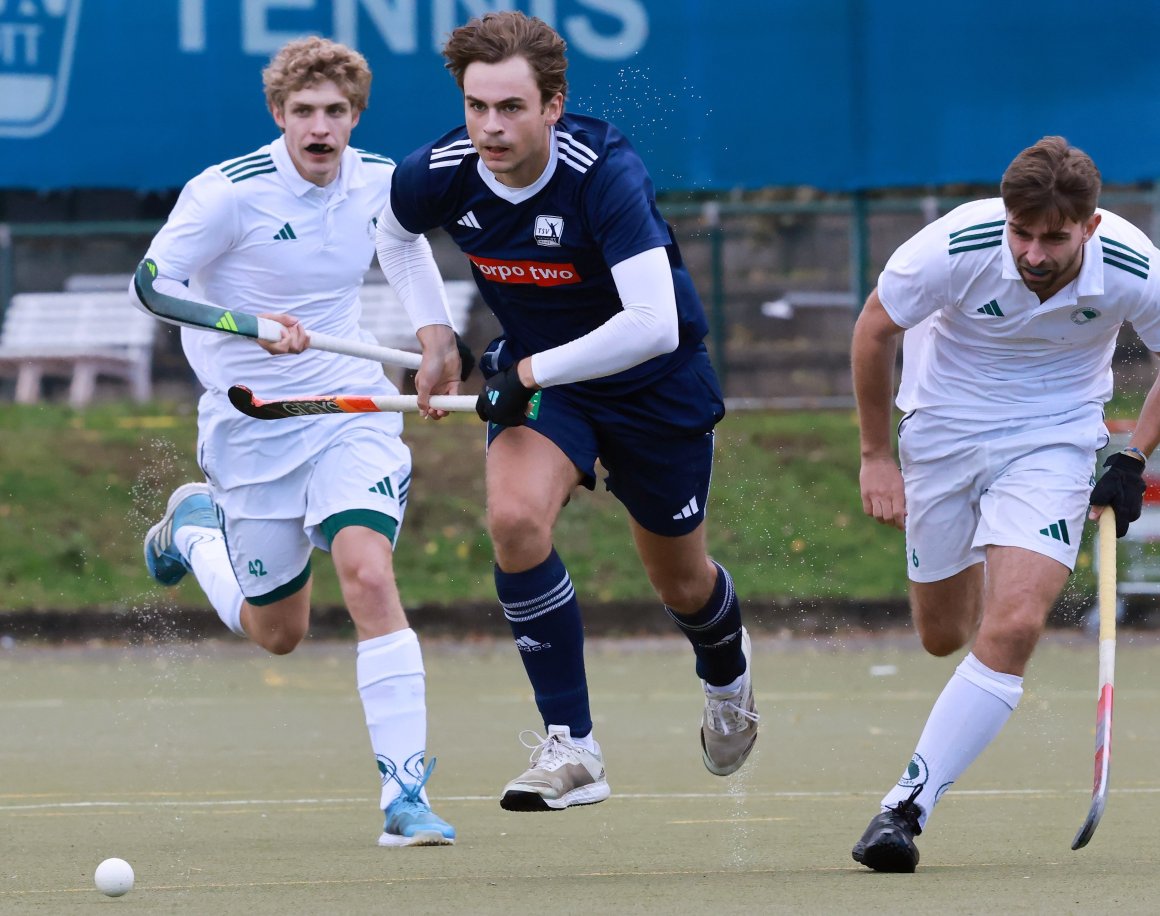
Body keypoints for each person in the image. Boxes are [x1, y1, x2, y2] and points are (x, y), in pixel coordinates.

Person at [374, 10, 759, 811]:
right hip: (550, 385)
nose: (490, 127)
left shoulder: (603, 172)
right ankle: (573, 748)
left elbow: (651, 325)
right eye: (476, 106)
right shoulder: (440, 170)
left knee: (683, 583)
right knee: (514, 521)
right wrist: (435, 332)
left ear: (553, 105)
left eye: (511, 107)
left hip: (654, 384)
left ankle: (727, 678)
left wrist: (528, 370)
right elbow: (395, 233)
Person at [135, 36, 462, 847]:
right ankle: (193, 529)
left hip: (350, 410)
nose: (321, 128)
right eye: (305, 111)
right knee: (277, 632)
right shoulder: (226, 194)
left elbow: (406, 249)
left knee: (368, 572)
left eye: (336, 112)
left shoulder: (380, 182)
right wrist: (247, 325)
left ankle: (405, 798)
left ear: (356, 116)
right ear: (278, 114)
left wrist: (435, 336)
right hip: (250, 425)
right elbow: (152, 286)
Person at [850, 135, 1160, 872]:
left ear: (1089, 225)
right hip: (943, 431)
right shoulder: (954, 246)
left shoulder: (1133, 266)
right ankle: (998, 560)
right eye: (1021, 233)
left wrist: (1135, 453)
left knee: (1015, 623)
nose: (1033, 254)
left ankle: (905, 808)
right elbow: (874, 329)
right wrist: (875, 455)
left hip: (1054, 439)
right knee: (942, 635)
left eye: (1054, 238)